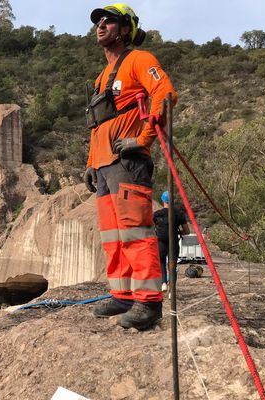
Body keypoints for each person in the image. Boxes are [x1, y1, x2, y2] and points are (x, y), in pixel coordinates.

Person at [83, 3, 178, 330]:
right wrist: (90, 163)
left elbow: (164, 94)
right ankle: (122, 295)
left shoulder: (140, 60)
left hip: (127, 162)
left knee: (136, 232)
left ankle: (148, 303)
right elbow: (98, 124)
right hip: (104, 165)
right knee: (113, 236)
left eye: (109, 21)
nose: (101, 25)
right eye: (99, 21)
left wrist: (144, 138)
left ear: (125, 30)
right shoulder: (101, 77)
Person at [153, 191, 190, 291]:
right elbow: (187, 231)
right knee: (172, 265)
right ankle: (171, 290)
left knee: (161, 263)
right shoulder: (179, 214)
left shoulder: (156, 214)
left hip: (161, 242)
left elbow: (150, 228)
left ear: (162, 200)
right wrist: (178, 233)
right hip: (173, 243)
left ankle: (163, 283)